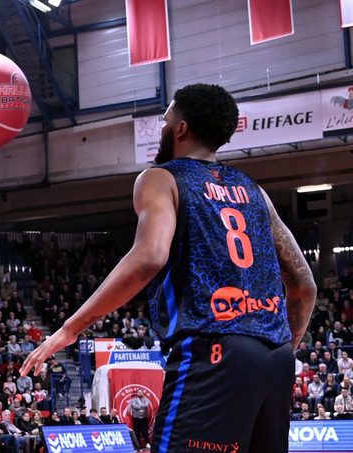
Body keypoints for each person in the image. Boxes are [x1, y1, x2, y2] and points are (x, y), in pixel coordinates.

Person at [21, 84, 317, 453]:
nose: (161, 128)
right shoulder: (254, 190)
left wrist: (69, 328)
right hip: (276, 359)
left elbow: (149, 258)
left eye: (165, 120)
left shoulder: (161, 178)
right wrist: (282, 348)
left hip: (213, 350)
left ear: (180, 129)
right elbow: (304, 285)